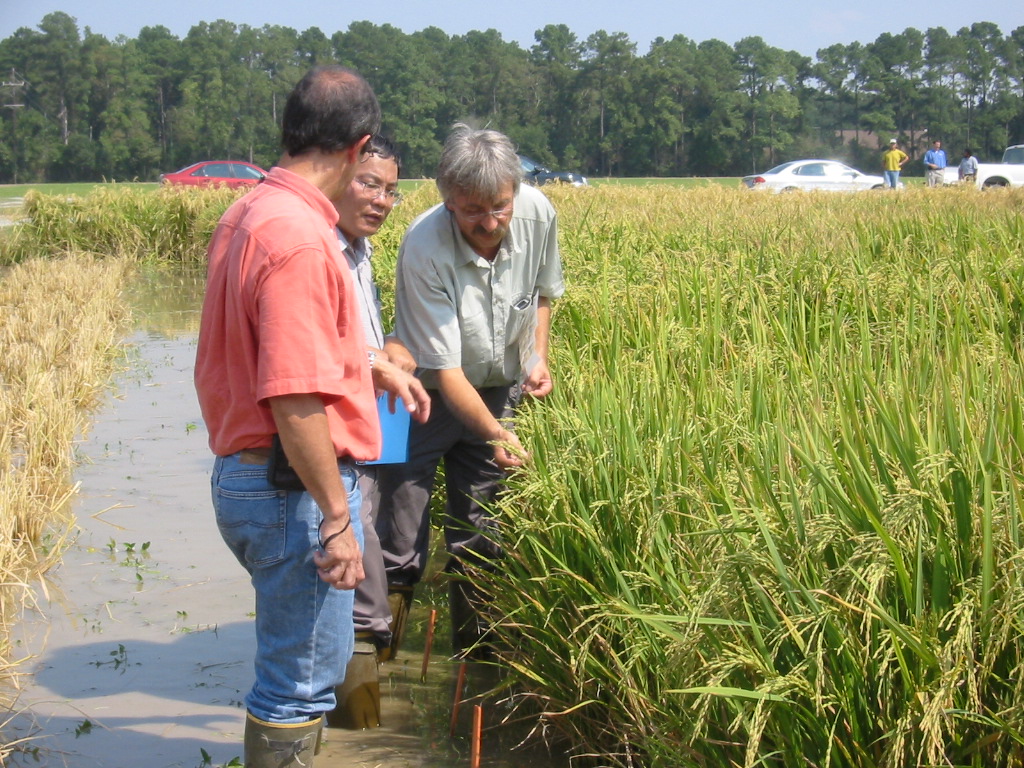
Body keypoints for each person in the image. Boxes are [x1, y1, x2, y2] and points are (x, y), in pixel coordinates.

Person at [193, 66, 429, 768]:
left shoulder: (249, 211)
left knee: (301, 669)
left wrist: (370, 364)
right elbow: (293, 396)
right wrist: (335, 516)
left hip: (248, 479)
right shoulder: (300, 238)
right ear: (358, 146)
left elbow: (279, 351)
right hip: (292, 494)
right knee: (299, 685)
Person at [375, 124, 565, 662]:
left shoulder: (537, 212)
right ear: (447, 201)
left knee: (482, 538)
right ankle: (382, 667)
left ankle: (476, 661)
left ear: (515, 192)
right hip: (420, 398)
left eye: (499, 207)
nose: (489, 223)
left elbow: (543, 293)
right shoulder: (424, 244)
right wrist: (498, 431)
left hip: (499, 389)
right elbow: (447, 370)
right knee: (398, 534)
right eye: (472, 210)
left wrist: (535, 358)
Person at [328, 135, 417, 729]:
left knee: (386, 526)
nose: (382, 199)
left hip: (372, 421)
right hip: (327, 435)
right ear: (338, 174)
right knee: (355, 555)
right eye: (369, 184)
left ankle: (373, 679)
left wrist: (390, 351)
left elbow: (360, 332)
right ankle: (358, 727)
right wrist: (374, 361)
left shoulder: (359, 251)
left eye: (391, 189)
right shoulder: (321, 251)